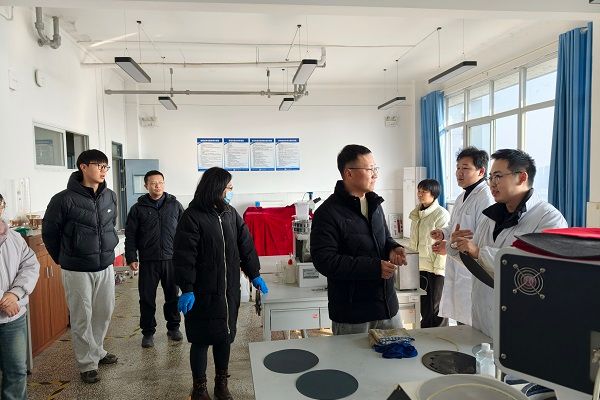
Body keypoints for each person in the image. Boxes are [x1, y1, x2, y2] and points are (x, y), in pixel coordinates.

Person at [448, 149, 567, 337]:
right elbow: (474, 261)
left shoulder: (548, 219)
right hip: (482, 318)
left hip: (520, 321)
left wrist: (479, 252)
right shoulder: (491, 217)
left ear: (522, 177)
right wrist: (458, 246)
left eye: (498, 176)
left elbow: (534, 270)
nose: (492, 183)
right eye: (491, 177)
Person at [173, 167, 268, 400]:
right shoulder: (192, 216)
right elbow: (184, 256)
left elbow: (246, 245)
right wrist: (187, 288)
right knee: (200, 340)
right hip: (202, 292)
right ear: (216, 188)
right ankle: (199, 387)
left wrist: (254, 273)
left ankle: (221, 384)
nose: (231, 192)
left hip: (228, 291)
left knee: (224, 337)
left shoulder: (231, 214)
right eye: (229, 188)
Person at [310, 144, 406, 335]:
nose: (375, 175)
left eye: (376, 168)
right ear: (349, 173)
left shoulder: (374, 204)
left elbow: (384, 238)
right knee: (353, 356)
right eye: (370, 169)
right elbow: (325, 261)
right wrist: (374, 268)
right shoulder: (328, 213)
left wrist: (393, 248)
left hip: (387, 307)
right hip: (353, 313)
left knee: (398, 352)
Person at [42, 149, 119, 384]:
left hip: (104, 265)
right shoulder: (63, 199)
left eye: (106, 166)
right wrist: (64, 258)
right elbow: (50, 233)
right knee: (82, 317)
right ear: (83, 167)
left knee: (104, 312)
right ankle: (87, 363)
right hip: (76, 268)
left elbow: (110, 225)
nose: (104, 170)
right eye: (99, 165)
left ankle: (97, 350)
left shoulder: (110, 196)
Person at [432, 146, 494, 326]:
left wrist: (451, 245)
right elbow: (454, 226)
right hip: (459, 266)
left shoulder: (485, 198)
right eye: (458, 167)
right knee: (462, 321)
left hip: (472, 270)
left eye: (465, 168)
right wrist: (443, 233)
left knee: (472, 323)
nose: (459, 172)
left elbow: (483, 237)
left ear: (481, 171)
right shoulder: (461, 197)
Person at [125, 170, 185, 348]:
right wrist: (131, 257)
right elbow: (131, 235)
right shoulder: (137, 209)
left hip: (171, 259)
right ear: (146, 186)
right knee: (146, 298)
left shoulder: (175, 205)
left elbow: (185, 232)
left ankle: (173, 327)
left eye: (160, 182)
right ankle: (148, 332)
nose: (157, 185)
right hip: (148, 260)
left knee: (172, 296)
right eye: (153, 183)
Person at [0, 194, 40, 399]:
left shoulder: (14, 237)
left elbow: (30, 265)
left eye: (0, 205)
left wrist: (14, 294)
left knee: (16, 372)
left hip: (13, 317)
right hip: (7, 307)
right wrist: (2, 299)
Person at [408, 179, 450, 328]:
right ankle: (427, 335)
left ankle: (439, 336)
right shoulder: (416, 214)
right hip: (419, 266)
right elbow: (414, 242)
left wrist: (439, 269)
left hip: (435, 269)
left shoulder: (441, 214)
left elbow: (443, 244)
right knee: (425, 306)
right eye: (419, 191)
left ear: (434, 194)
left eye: (424, 191)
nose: (419, 194)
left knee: (436, 307)